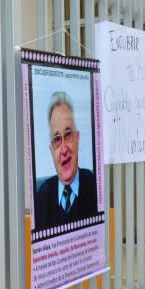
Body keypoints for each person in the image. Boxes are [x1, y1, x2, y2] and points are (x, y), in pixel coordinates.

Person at [34, 91, 98, 230]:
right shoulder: (41, 199)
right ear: (51, 152)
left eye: (68, 135)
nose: (63, 149)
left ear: (77, 139)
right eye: (57, 139)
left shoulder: (95, 188)